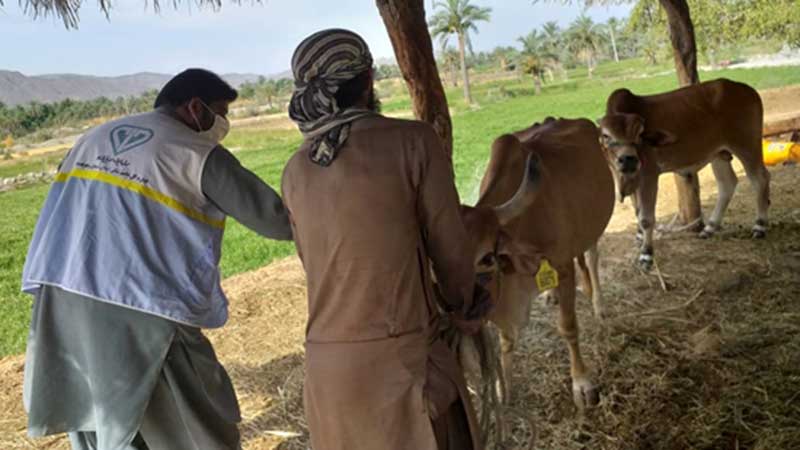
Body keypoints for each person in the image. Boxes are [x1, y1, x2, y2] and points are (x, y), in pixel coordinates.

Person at [21, 68, 292, 450]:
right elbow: (277, 220)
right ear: (195, 107)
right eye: (220, 111)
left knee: (99, 414)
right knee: (193, 418)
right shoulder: (194, 151)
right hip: (142, 306)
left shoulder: (93, 138)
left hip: (62, 295)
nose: (223, 123)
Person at [282, 29, 487, 450]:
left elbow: (320, 265)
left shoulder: (295, 170)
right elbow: (450, 252)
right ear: (369, 78)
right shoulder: (413, 142)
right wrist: (465, 305)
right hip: (401, 369)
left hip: (327, 376)